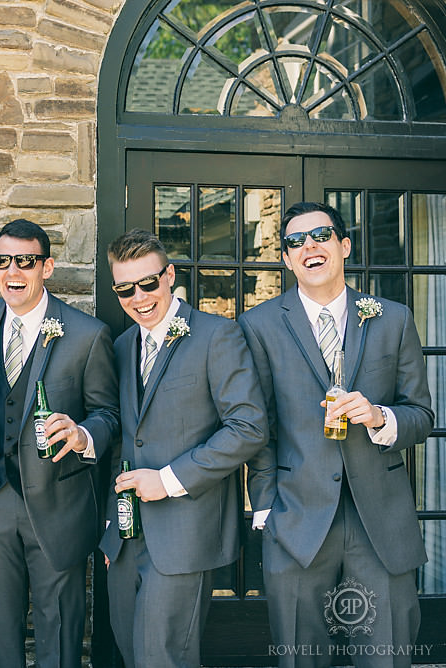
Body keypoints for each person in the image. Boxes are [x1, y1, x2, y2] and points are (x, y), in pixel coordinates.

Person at [239, 202, 433, 667]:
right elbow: (255, 426)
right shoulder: (258, 325)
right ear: (286, 259)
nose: (309, 246)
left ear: (343, 246)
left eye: (321, 235)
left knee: (387, 655)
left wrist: (379, 416)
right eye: (295, 241)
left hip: (380, 522)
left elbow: (421, 415)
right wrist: (267, 507)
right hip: (296, 520)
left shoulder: (394, 318)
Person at [100, 229, 268, 667]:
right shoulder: (120, 347)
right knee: (129, 650)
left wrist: (169, 480)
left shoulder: (217, 335)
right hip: (123, 535)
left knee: (163, 657)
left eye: (148, 283)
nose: (138, 297)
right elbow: (122, 434)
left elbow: (248, 427)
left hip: (185, 532)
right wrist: (108, 531)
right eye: (123, 288)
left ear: (169, 276)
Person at [0, 218, 118, 667]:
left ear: (46, 268)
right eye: (2, 261)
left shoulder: (87, 335)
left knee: (61, 631)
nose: (13, 272)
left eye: (26, 261)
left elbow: (109, 414)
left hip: (59, 502)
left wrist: (83, 433)